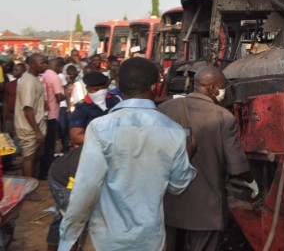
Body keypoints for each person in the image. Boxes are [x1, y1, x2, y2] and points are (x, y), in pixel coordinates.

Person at [59, 57, 197, 251]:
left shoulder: (99, 128)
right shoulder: (173, 131)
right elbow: (177, 185)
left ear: (118, 87)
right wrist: (187, 154)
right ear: (155, 87)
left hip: (105, 240)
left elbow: (86, 189)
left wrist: (68, 239)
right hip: (151, 241)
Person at [159, 66, 258, 251]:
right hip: (206, 208)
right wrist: (252, 182)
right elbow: (237, 166)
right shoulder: (223, 117)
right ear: (212, 89)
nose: (224, 92)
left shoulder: (164, 109)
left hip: (169, 203)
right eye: (223, 87)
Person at [46, 72, 122, 251]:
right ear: (88, 89)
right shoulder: (82, 107)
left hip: (100, 167)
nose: (99, 92)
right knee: (69, 217)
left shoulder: (116, 101)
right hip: (71, 174)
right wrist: (110, 137)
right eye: (94, 90)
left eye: (102, 89)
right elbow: (76, 136)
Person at [14, 54, 48, 179]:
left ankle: (31, 181)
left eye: (45, 62)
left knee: (37, 155)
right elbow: (28, 109)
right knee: (29, 157)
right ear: (32, 65)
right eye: (42, 63)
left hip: (37, 124)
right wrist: (37, 131)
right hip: (29, 128)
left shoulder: (34, 79)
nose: (45, 65)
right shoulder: (28, 82)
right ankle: (27, 186)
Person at [39, 58, 65, 179]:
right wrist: (67, 94)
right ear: (58, 66)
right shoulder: (55, 77)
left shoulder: (42, 74)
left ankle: (39, 169)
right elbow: (59, 97)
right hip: (52, 114)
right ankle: (45, 172)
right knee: (49, 145)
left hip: (41, 115)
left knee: (41, 144)